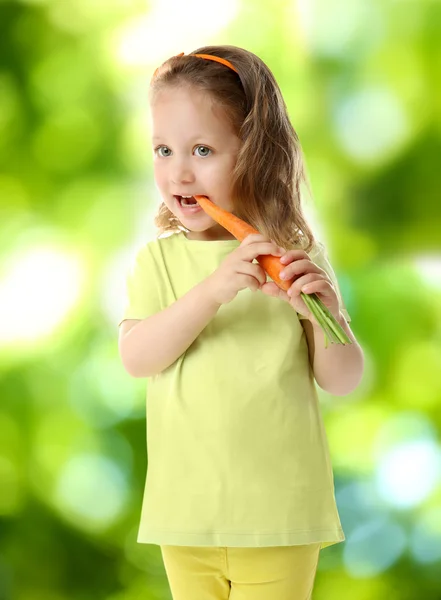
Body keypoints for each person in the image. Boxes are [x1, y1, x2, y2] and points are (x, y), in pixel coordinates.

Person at [118, 45, 364, 600]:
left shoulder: (296, 256)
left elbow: (343, 378)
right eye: (163, 149)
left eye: (202, 149)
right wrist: (212, 291)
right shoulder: (156, 261)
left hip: (280, 516)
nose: (179, 171)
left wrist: (328, 316)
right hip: (187, 514)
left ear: (254, 153)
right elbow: (137, 356)